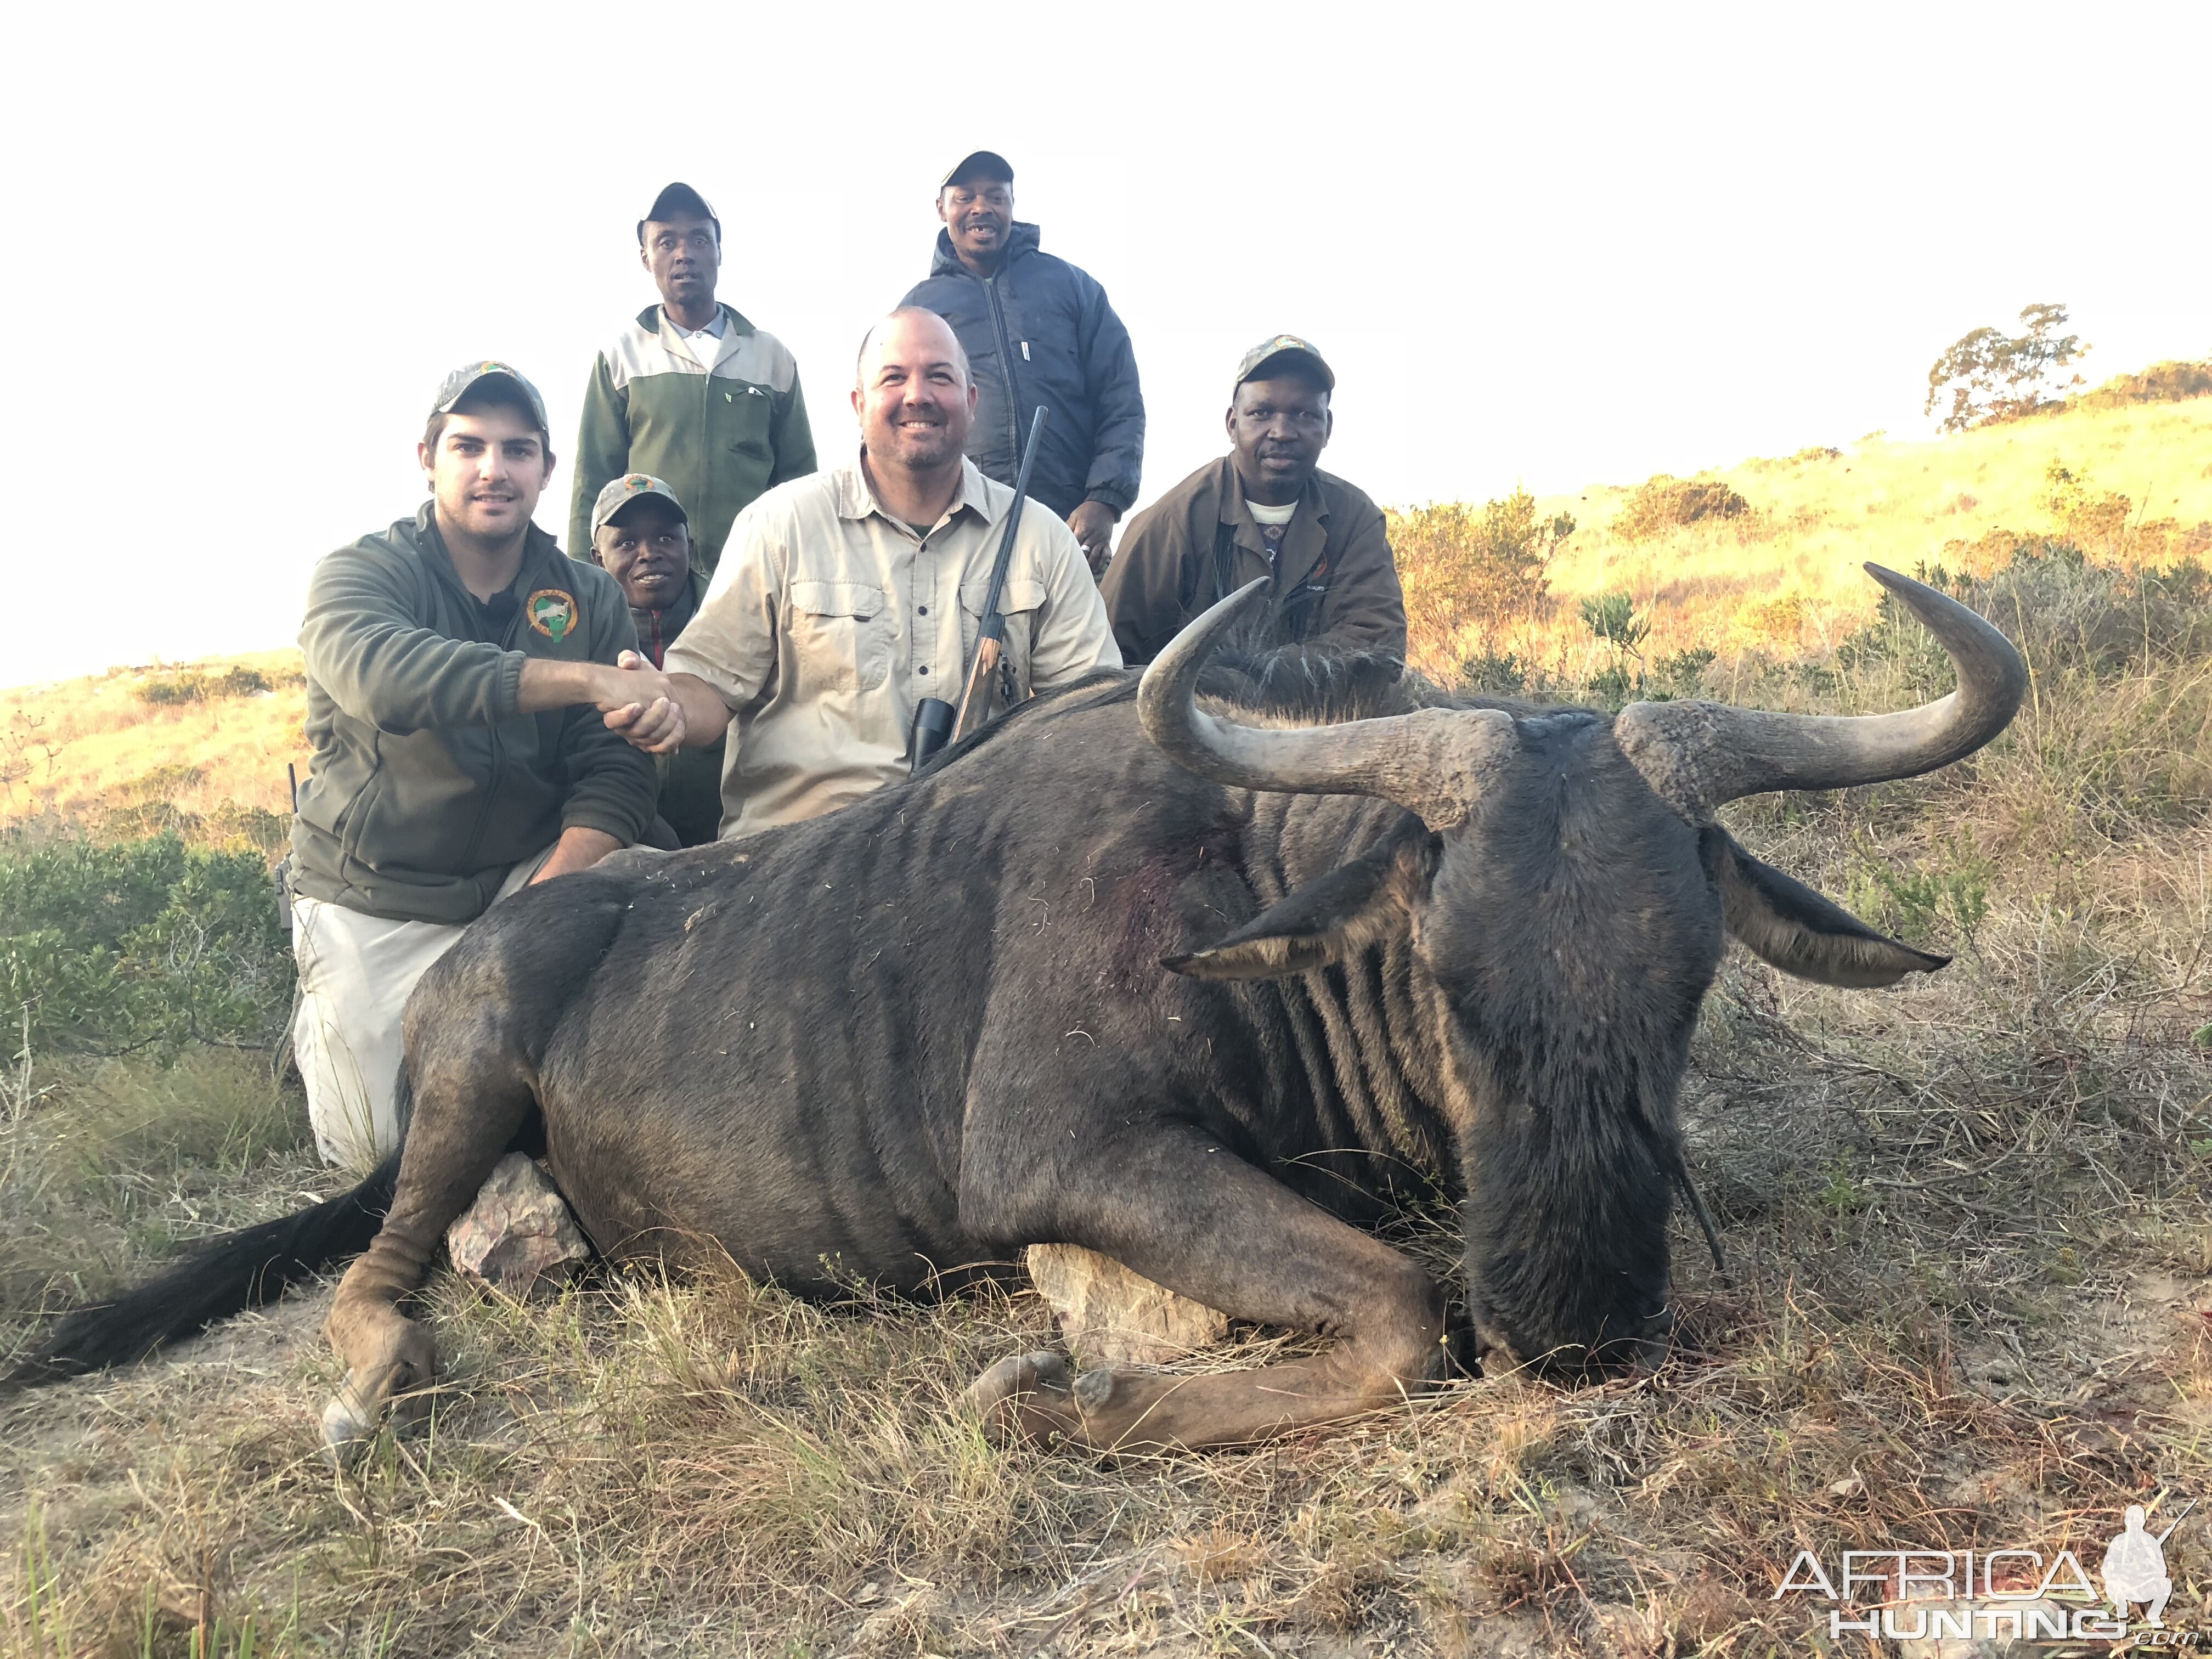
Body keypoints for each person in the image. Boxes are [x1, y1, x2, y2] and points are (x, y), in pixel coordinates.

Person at [289, 362, 658, 1169]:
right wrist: (581, 678)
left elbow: (616, 767)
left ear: (547, 471)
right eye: (470, 446)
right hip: (382, 897)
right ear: (427, 457)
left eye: (518, 450)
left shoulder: (588, 596)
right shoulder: (361, 574)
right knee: (379, 1153)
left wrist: (542, 902)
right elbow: (386, 677)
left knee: (660, 885)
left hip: (524, 882)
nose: (494, 469)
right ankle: (332, 1021)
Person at [604, 308, 1120, 834]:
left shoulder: (1041, 536)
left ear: (970, 402)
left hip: (978, 855)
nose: (917, 395)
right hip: (795, 863)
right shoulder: (780, 524)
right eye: (893, 378)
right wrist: (665, 704)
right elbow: (709, 690)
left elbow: (1093, 717)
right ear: (859, 404)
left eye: (939, 376)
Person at [901, 150, 1142, 576]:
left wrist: (1104, 500)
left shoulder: (1073, 287)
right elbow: (901, 421)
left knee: (1080, 643)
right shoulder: (919, 310)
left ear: (1012, 204)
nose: (982, 208)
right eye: (965, 197)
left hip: (1071, 533)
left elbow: (1119, 397)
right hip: (962, 540)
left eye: (996, 196)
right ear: (941, 208)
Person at [1099, 335, 1407, 667]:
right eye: (1261, 413)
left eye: (1305, 415)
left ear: (1328, 427)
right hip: (1194, 716)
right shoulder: (1171, 521)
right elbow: (1109, 658)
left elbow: (1379, 641)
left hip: (1324, 714)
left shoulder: (1356, 518)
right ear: (1232, 424)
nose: (1282, 432)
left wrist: (1252, 674)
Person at [568, 182, 816, 576]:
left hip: (751, 580)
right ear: (646, 258)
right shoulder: (622, 358)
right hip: (650, 587)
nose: (684, 254)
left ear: (719, 252)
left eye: (699, 239)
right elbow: (592, 484)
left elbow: (800, 484)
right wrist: (583, 585)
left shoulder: (772, 358)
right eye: (666, 242)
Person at [586, 472, 725, 846]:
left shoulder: (739, 623)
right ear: (599, 561)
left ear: (690, 548)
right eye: (627, 542)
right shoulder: (578, 645)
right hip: (623, 848)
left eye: (666, 537)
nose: (648, 553)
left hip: (735, 843)